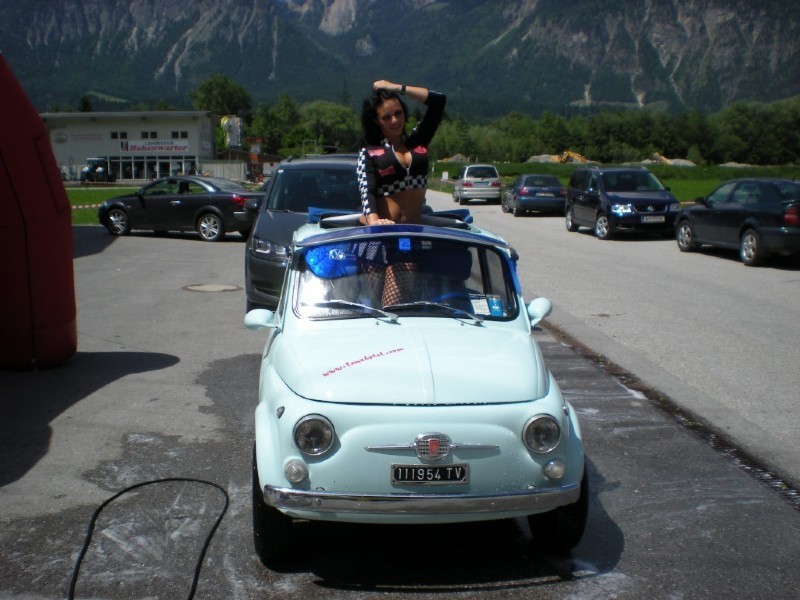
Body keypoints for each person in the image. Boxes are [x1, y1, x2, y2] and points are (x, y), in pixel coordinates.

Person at [357, 80, 446, 225]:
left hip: (415, 232)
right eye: (386, 117)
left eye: (398, 113)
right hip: (384, 233)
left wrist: (397, 88)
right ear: (376, 121)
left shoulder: (418, 141)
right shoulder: (369, 152)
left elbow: (439, 101)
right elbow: (367, 192)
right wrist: (374, 221)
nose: (395, 120)